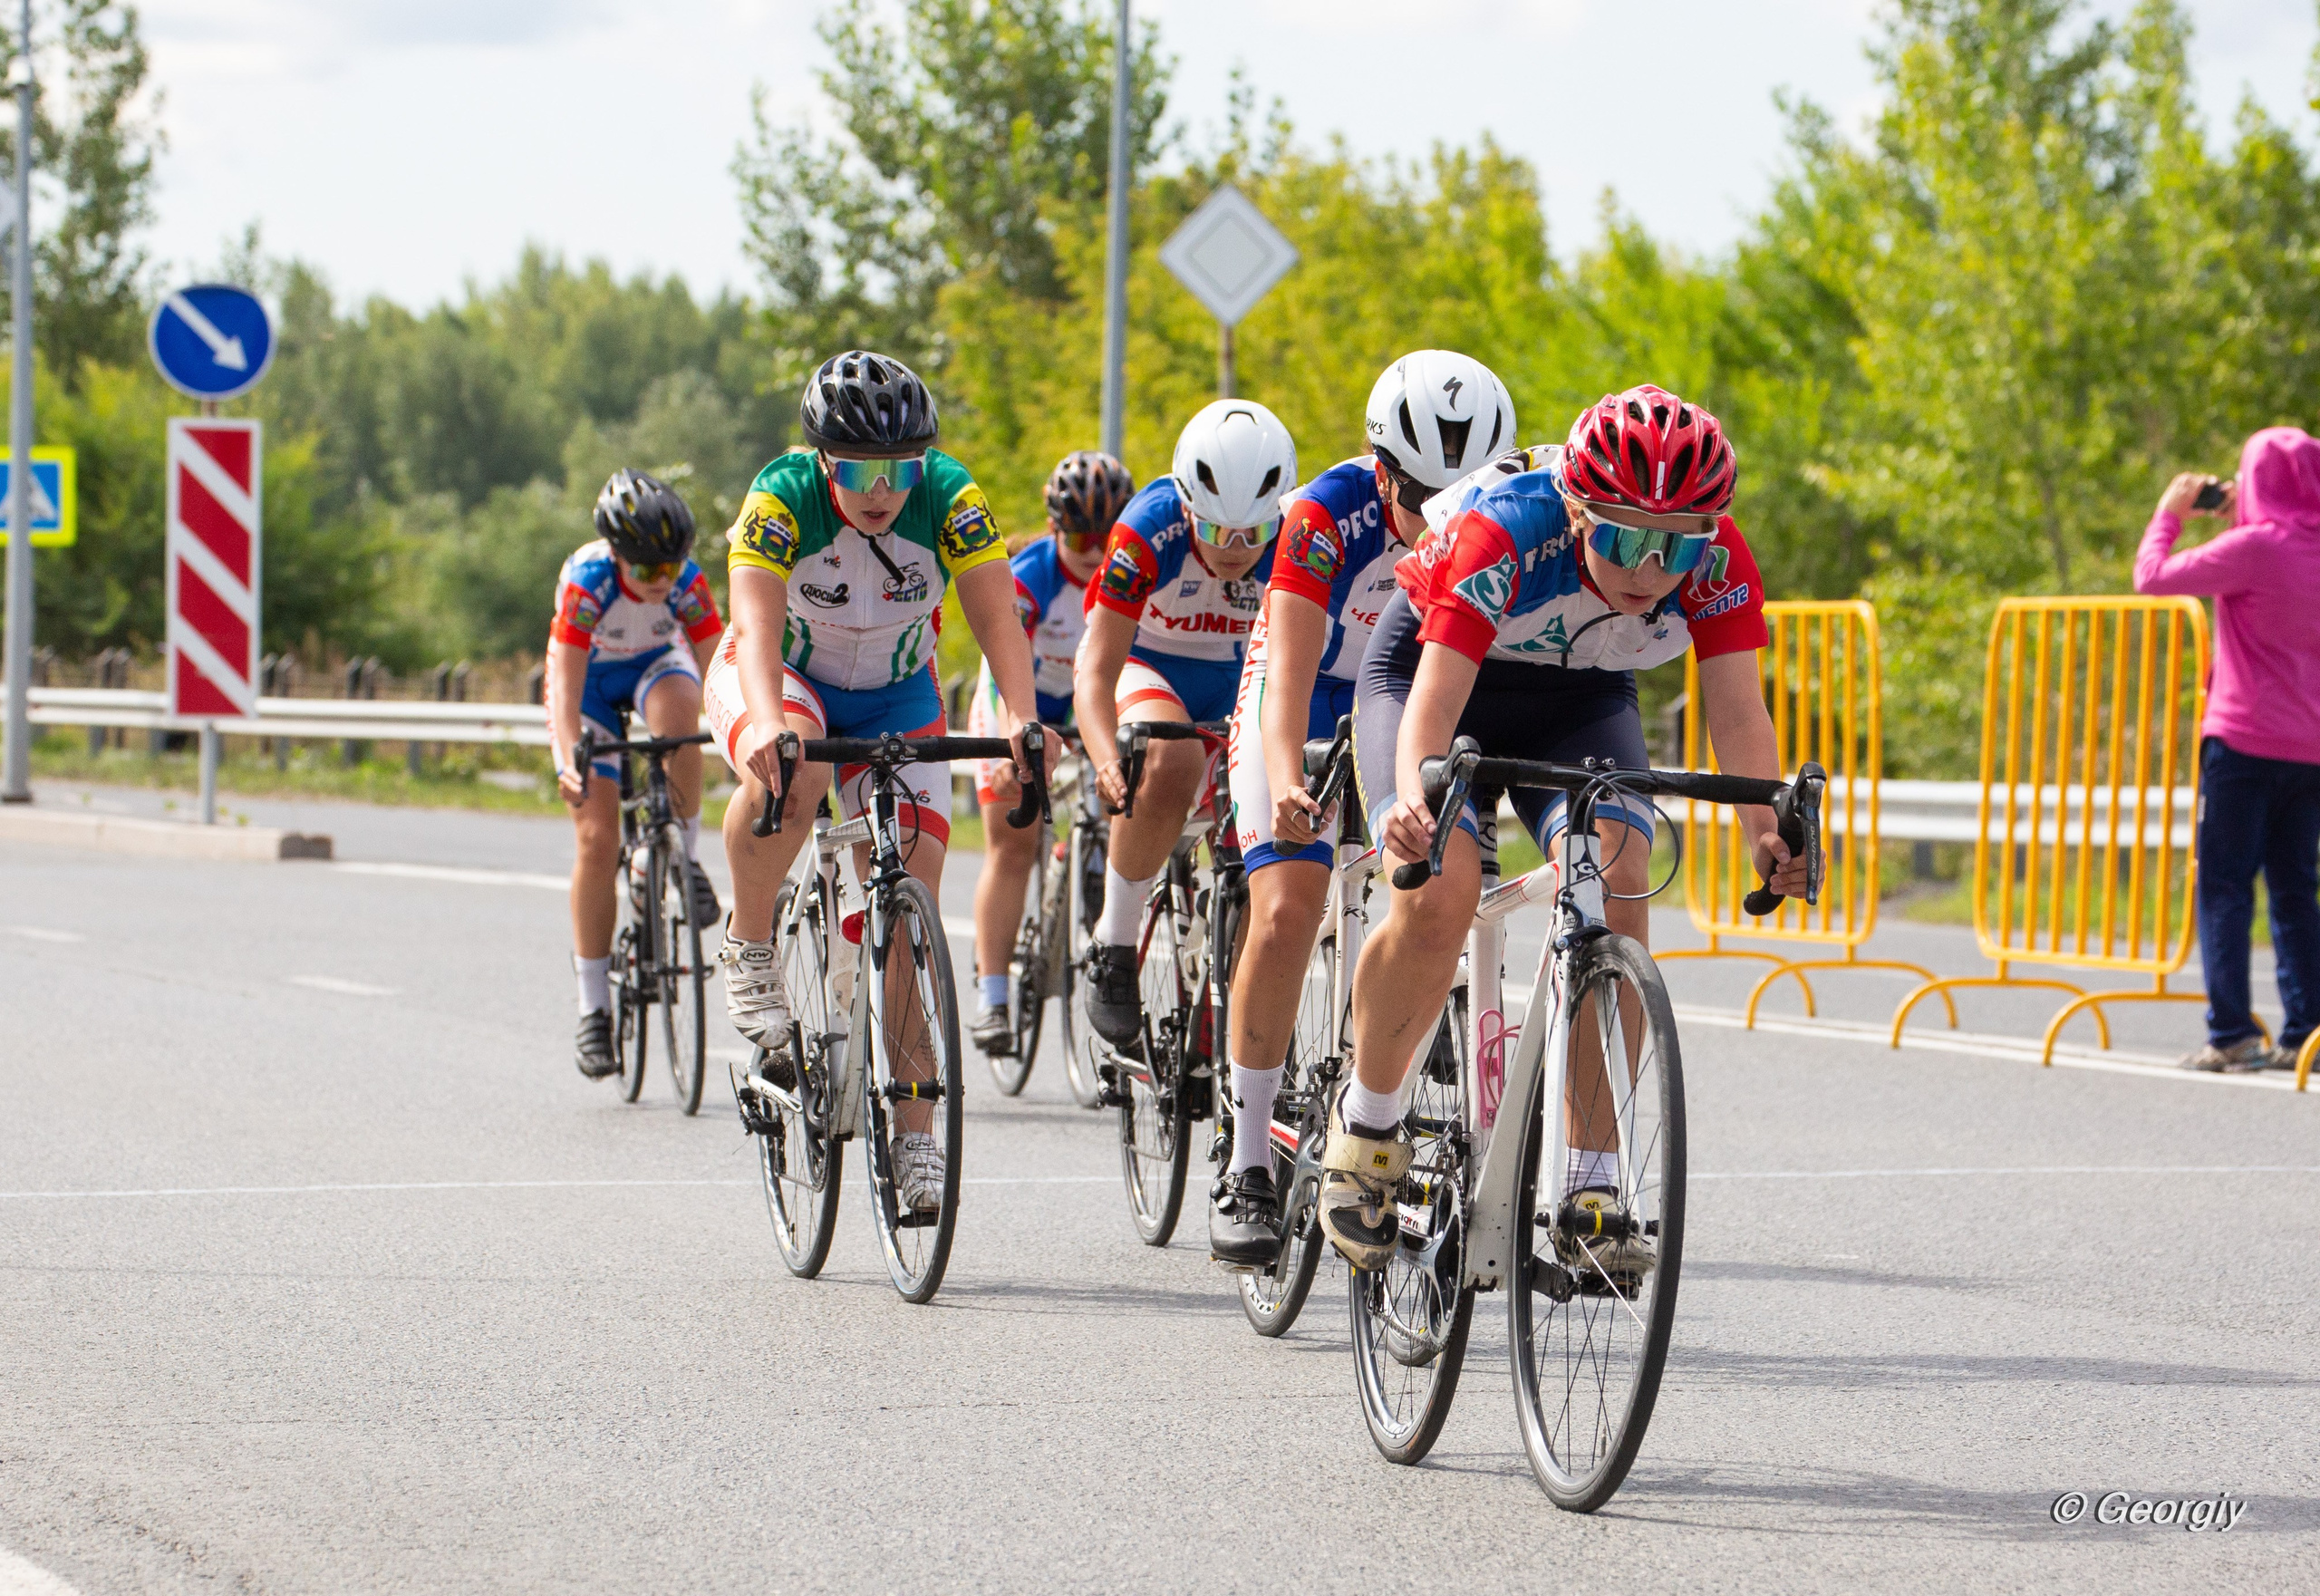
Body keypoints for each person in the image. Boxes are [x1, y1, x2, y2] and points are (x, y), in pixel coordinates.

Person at [1322, 383, 1812, 1271]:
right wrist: (1411, 807)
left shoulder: (1715, 555)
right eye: (1626, 538)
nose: (1651, 569)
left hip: (1579, 700)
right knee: (1441, 889)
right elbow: (1429, 708)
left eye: (1677, 548)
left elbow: (1738, 714)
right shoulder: (1506, 527)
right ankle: (1368, 1125)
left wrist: (1763, 829)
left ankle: (1589, 1180)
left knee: (1620, 879)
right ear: (1578, 510)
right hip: (1436, 674)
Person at [705, 350, 1050, 1211]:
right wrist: (769, 724)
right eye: (858, 468)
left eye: (898, 468)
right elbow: (751, 619)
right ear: (825, 460)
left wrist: (1017, 716)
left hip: (899, 694)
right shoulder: (781, 495)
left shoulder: (950, 495)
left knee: (909, 916)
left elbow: (996, 616)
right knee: (787, 774)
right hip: (784, 676)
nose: (881, 489)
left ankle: (915, 1138)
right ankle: (751, 945)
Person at [1208, 352, 1517, 1265]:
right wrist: (1290, 779)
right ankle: (1247, 1153)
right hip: (1305, 692)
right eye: (1417, 491)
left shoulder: (1494, 514)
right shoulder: (1323, 516)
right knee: (1288, 906)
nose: (1436, 512)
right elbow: (1286, 677)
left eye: (1456, 490)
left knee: (1440, 884)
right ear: (1379, 466)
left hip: (1417, 694)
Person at [1073, 400, 1298, 1053]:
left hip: (1240, 673)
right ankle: (1114, 943)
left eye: (1253, 534)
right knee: (1170, 762)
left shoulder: (1297, 534)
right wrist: (1104, 758)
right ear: (1186, 504)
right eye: (1216, 530)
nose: (1234, 551)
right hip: (1150, 665)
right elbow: (1094, 671)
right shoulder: (1148, 529)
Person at [2134, 428, 2320, 1072]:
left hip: (2243, 741)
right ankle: (2307, 1031)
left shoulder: (2254, 548)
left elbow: (2151, 577)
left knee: (2223, 887)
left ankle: (2233, 1029)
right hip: (2310, 748)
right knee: (2296, 888)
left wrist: (2171, 514)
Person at [548, 470, 725, 1079]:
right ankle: (593, 1008)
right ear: (618, 556)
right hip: (593, 687)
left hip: (656, 667)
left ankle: (682, 853)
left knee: (683, 711)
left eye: (671, 571)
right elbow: (564, 688)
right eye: (648, 572)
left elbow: (719, 665)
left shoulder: (685, 582)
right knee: (597, 841)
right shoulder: (587, 584)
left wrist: (744, 732)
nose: (662, 583)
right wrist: (567, 755)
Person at [968, 450, 1135, 1057]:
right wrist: (1016, 739)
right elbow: (998, 668)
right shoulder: (1032, 574)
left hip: (1088, 707)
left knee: (1123, 803)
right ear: (1057, 528)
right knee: (1010, 845)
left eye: (1107, 534)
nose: (1094, 549)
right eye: (1082, 535)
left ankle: (1084, 859)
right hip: (1019, 703)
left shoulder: (1128, 571)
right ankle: (992, 997)